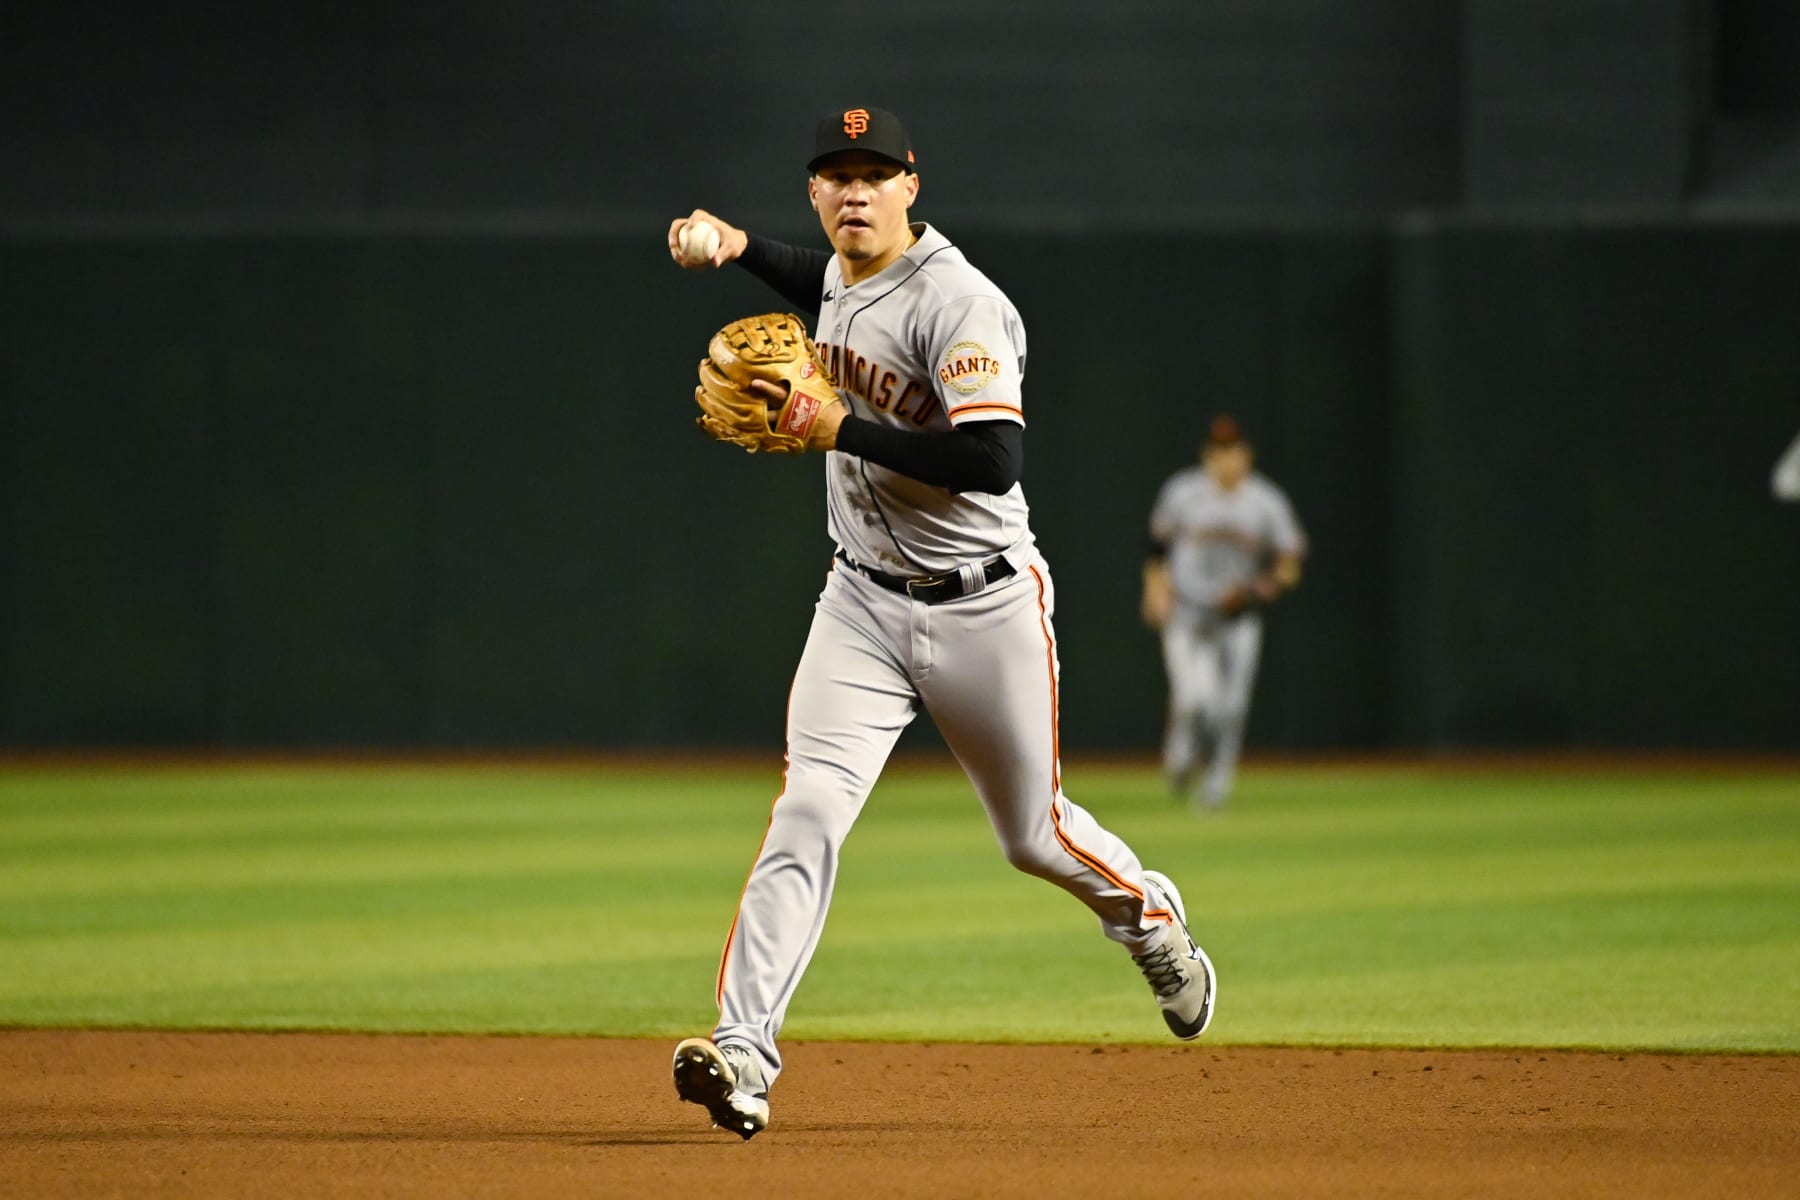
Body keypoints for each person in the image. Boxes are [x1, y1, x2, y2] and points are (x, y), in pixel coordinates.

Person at [663, 106, 1216, 1141]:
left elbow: (993, 461)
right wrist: (738, 247)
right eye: (836, 176)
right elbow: (820, 285)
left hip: (986, 605)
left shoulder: (962, 302)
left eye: (875, 174)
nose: (854, 192)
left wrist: (841, 427)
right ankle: (743, 1053)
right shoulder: (841, 270)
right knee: (807, 812)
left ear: (913, 185)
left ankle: (1150, 921)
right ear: (817, 192)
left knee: (1034, 836)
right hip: (860, 603)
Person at [1140, 415, 1307, 811]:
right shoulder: (1183, 492)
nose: (1225, 460)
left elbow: (1291, 560)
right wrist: (1154, 593)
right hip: (1187, 610)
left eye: (1232, 451)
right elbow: (1156, 550)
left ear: (1246, 455)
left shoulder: (1266, 501)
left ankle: (1216, 785)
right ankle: (1180, 755)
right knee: (1193, 700)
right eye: (1218, 452)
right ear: (1207, 456)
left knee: (1230, 707)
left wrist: (1257, 589)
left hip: (1237, 617)